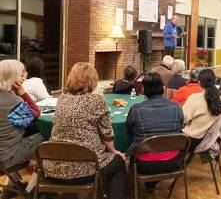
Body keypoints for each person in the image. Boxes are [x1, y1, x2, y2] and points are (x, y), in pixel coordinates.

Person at [44, 62, 126, 199]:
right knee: (119, 162)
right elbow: (107, 134)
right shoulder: (97, 100)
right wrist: (114, 151)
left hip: (53, 168)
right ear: (93, 80)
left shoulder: (62, 99)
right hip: (86, 170)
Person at [125, 72, 183, 189]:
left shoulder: (136, 109)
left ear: (143, 89)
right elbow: (180, 127)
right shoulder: (176, 107)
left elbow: (129, 130)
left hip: (144, 163)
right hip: (173, 161)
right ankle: (151, 183)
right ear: (163, 88)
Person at [0, 59, 44, 169]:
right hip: (8, 157)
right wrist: (21, 91)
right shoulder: (14, 102)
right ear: (14, 77)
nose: (24, 76)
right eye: (21, 73)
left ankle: (15, 181)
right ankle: (44, 179)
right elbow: (36, 113)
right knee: (46, 134)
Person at [182, 69, 221, 153]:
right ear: (214, 81)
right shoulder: (219, 99)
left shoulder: (194, 98)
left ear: (199, 82)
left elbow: (183, 119)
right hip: (207, 140)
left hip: (189, 141)